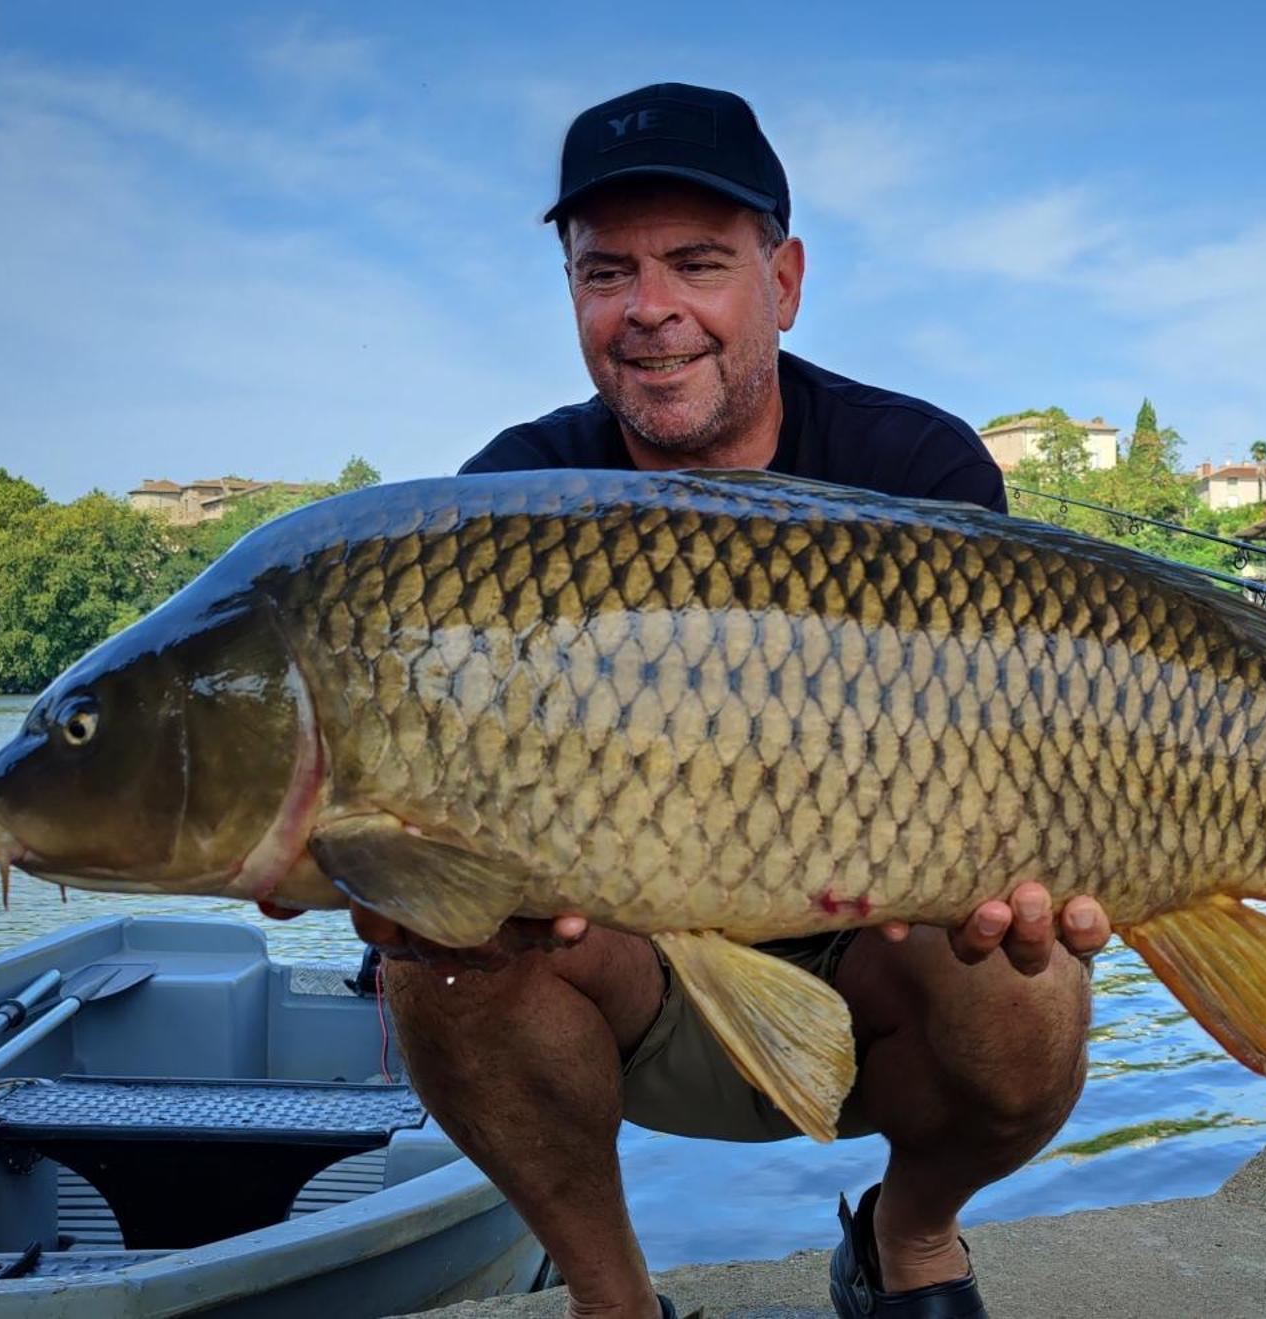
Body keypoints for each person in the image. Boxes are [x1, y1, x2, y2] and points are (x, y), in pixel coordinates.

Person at [340, 84, 1111, 1319]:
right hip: (625, 973)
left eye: (696, 262)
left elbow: (1007, 739)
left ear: (784, 279)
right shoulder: (508, 500)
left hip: (880, 967)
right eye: (606, 273)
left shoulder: (917, 467)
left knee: (1025, 973)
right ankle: (613, 1299)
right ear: (574, 294)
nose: (650, 310)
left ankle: (907, 1237)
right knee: (435, 958)